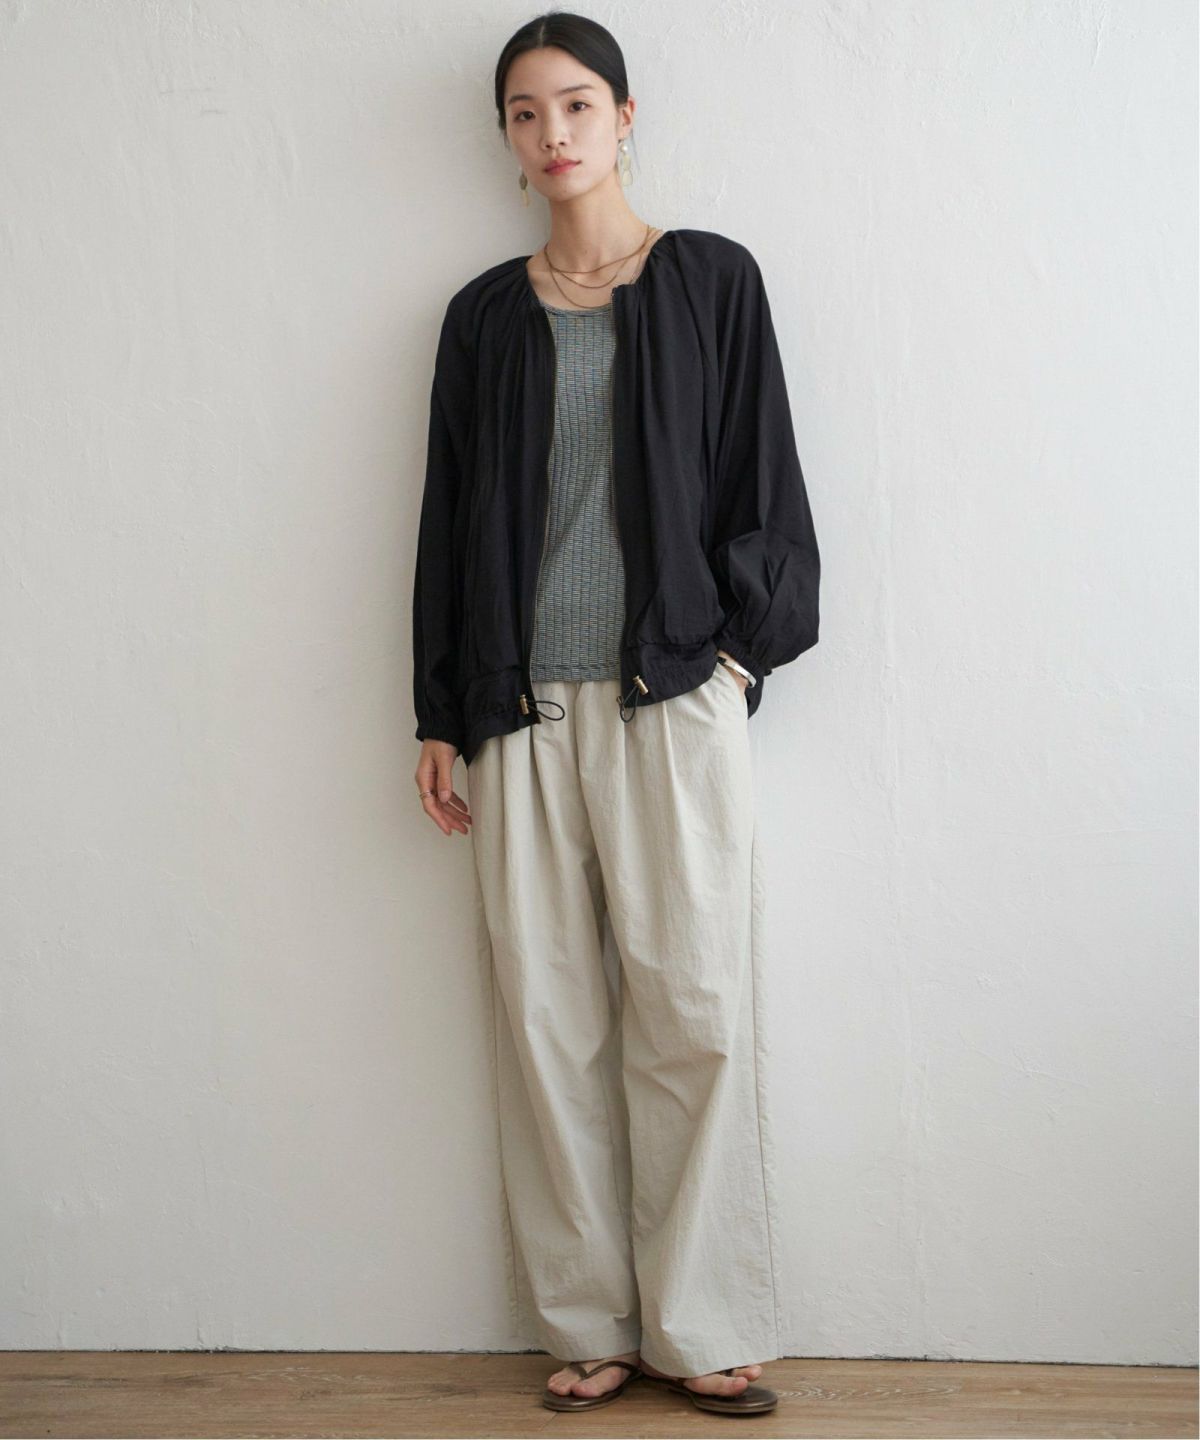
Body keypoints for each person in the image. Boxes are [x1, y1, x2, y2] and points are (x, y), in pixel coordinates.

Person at [411, 11, 820, 1418]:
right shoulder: (482, 316)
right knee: (546, 1020)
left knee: (692, 1011)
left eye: (578, 104)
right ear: (508, 139)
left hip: (673, 692)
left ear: (626, 117)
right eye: (526, 113)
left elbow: (764, 476)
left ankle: (701, 1324)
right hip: (516, 707)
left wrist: (740, 657)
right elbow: (447, 519)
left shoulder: (710, 281)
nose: (554, 133)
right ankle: (588, 1320)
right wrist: (439, 708)